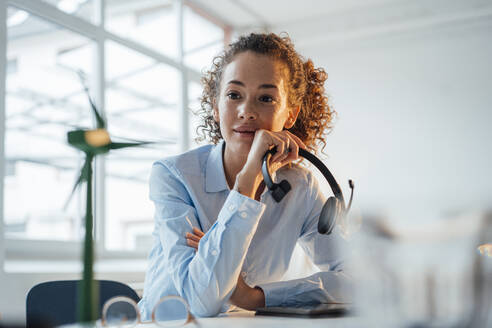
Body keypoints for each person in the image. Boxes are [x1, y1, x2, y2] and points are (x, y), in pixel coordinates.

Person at [138, 32, 352, 318]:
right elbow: (203, 302)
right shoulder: (173, 176)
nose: (246, 111)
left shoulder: (301, 187)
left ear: (290, 115)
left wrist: (255, 297)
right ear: (215, 107)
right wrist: (248, 179)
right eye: (233, 95)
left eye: (265, 98)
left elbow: (359, 280)